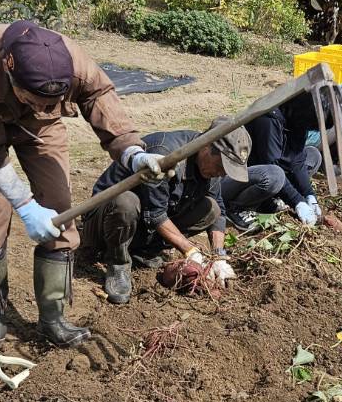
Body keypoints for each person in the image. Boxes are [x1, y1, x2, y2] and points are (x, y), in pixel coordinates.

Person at [0, 22, 165, 348]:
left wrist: (131, 151)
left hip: (42, 128)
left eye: (51, 101)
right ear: (9, 68)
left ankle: (53, 317)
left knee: (60, 209)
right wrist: (24, 205)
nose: (42, 106)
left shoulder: (73, 63)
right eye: (35, 99)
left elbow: (98, 95)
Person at [78, 122, 252, 304]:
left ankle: (142, 252)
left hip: (142, 225)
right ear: (207, 146)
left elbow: (220, 211)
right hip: (104, 225)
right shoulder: (166, 156)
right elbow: (155, 215)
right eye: (222, 166)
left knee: (211, 209)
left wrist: (218, 256)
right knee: (126, 202)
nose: (222, 174)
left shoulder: (209, 167)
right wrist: (190, 250)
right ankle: (117, 263)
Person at [221, 92, 327, 232]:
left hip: (267, 168)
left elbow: (297, 161)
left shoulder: (296, 120)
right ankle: (237, 207)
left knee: (313, 155)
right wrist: (297, 201)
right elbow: (270, 165)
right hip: (236, 176)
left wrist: (309, 195)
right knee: (275, 176)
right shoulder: (267, 120)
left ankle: (271, 198)